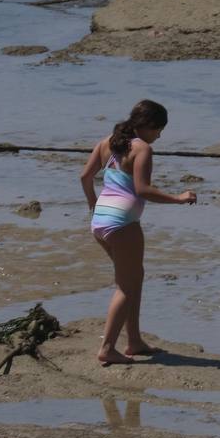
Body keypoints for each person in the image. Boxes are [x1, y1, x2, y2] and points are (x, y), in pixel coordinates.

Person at [80, 100, 196, 365]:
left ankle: (134, 340)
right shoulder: (142, 149)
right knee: (125, 287)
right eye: (159, 130)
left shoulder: (107, 142)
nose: (159, 136)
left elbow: (85, 177)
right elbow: (142, 189)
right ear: (148, 126)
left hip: (100, 222)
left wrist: (92, 204)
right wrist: (179, 198)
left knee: (135, 277)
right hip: (122, 225)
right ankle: (107, 348)